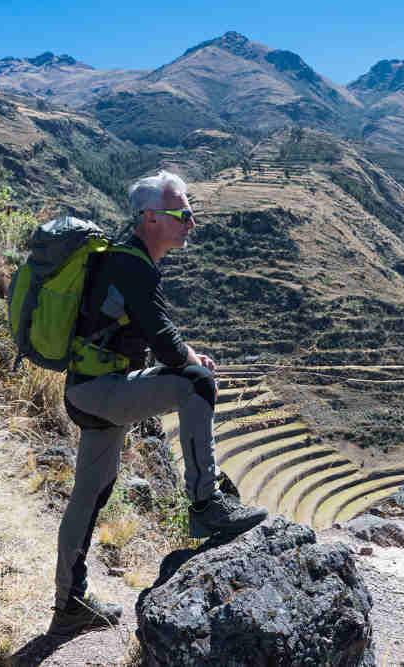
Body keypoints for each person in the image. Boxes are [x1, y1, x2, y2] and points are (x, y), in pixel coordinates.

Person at [48, 170, 268, 637]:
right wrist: (190, 360)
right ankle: (206, 504)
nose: (191, 223)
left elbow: (150, 331)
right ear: (151, 218)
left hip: (91, 389)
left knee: (89, 496)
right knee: (195, 383)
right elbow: (168, 348)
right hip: (102, 391)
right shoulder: (133, 265)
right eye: (183, 214)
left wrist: (185, 353)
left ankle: (68, 604)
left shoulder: (126, 260)